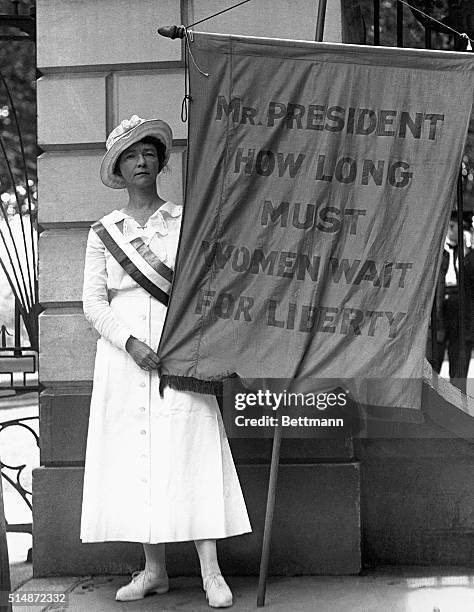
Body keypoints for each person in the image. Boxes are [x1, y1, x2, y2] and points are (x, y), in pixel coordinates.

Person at [80, 115, 251, 608]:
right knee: (137, 457)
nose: (141, 161)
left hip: (180, 350)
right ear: (119, 165)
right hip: (125, 354)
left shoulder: (184, 221)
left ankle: (211, 572)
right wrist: (130, 342)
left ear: (160, 163)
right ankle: (153, 570)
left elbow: (202, 287)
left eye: (149, 154)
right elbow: (93, 303)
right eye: (132, 155)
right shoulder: (103, 232)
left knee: (192, 448)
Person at [429, 212, 474, 393]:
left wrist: (466, 254)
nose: (453, 231)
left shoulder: (469, 256)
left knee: (459, 360)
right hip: (440, 307)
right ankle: (430, 401)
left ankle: (456, 403)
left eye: (458, 227)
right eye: (452, 226)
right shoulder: (437, 252)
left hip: (461, 308)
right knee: (433, 358)